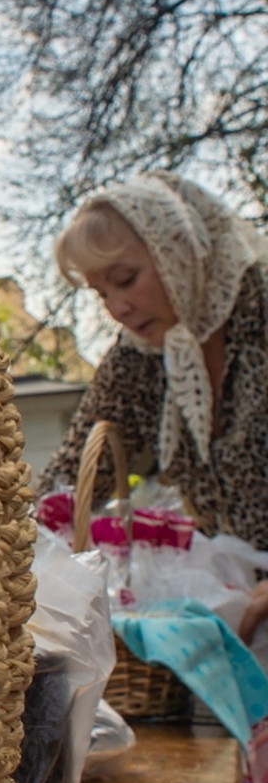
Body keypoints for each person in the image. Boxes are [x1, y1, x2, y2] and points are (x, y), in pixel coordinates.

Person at [31, 171, 268, 641]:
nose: (117, 307)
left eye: (125, 279)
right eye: (102, 294)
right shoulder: (139, 355)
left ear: (180, 252)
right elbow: (74, 472)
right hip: (242, 613)